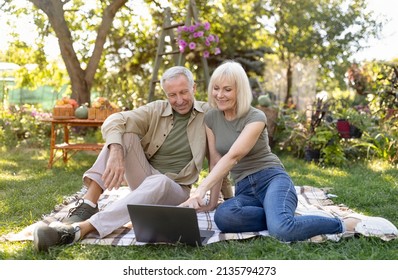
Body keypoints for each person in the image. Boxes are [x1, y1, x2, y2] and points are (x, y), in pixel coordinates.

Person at [33, 66, 228, 252]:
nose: (179, 100)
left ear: (194, 88)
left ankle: (80, 229)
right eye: (172, 95)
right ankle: (88, 204)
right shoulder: (156, 110)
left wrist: (222, 199)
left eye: (184, 92)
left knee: (160, 181)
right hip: (145, 181)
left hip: (175, 191)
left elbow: (217, 159)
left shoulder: (209, 115)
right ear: (165, 95)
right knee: (122, 135)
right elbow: (115, 120)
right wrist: (116, 150)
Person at [180, 60, 357, 242]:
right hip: (244, 189)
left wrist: (200, 190)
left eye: (227, 89)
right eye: (216, 88)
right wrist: (210, 203)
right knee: (224, 217)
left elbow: (233, 157)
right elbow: (216, 162)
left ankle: (342, 224)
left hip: (272, 179)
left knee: (282, 231)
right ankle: (276, 215)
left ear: (239, 91)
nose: (219, 95)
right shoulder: (211, 118)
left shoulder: (256, 117)